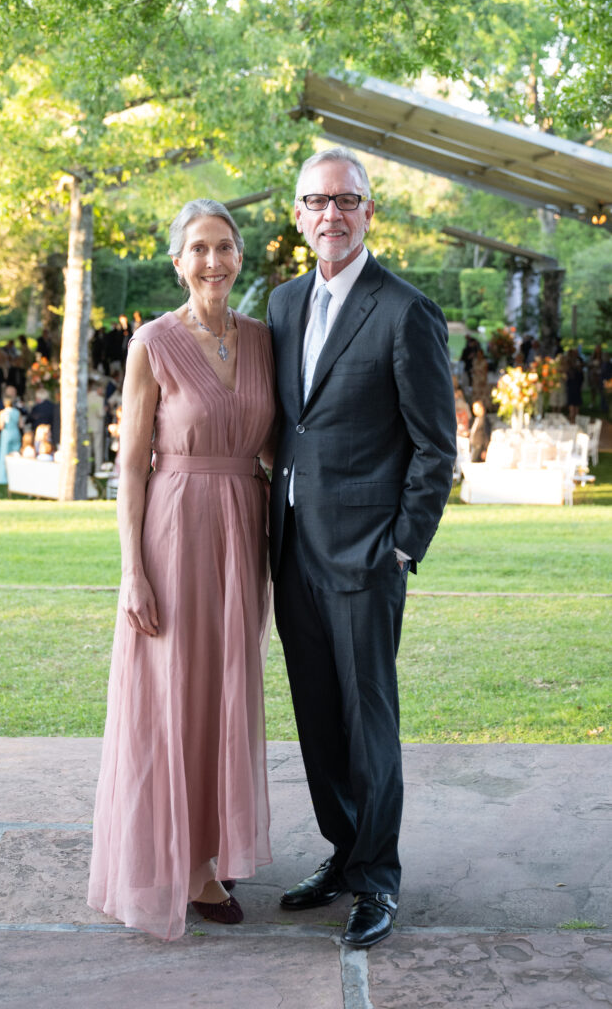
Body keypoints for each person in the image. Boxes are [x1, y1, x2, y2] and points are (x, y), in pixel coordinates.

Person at [267, 147, 456, 949]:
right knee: (317, 717)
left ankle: (377, 879)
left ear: (368, 212)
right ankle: (344, 852)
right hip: (292, 552)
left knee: (367, 720)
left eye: (346, 201)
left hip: (367, 557)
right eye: (317, 201)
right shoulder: (278, 305)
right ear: (300, 216)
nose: (331, 215)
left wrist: (402, 547)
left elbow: (434, 448)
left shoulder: (403, 310)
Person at [88, 198, 275, 941]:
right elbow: (130, 465)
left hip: (243, 531)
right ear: (176, 261)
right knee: (173, 694)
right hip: (174, 529)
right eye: (197, 248)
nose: (212, 261)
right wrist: (131, 570)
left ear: (239, 256)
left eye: (224, 247)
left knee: (224, 689)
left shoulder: (264, 340)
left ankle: (211, 842)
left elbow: (280, 446)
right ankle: (184, 863)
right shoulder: (152, 344)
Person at [0, 396, 22, 485]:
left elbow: (1, 426)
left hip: (6, 434)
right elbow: (21, 425)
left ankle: (3, 478)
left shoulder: (2, 413)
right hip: (15, 433)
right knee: (16, 454)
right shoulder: (17, 412)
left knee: (4, 455)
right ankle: (16, 477)